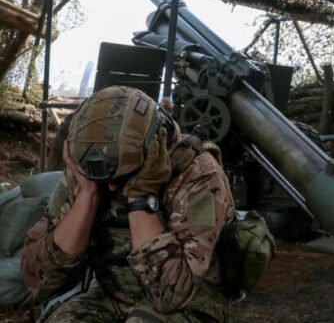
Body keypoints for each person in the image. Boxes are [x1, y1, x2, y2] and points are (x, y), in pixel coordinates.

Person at [21, 85, 236, 322]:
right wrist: (88, 193)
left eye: (120, 178)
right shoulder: (87, 168)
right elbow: (37, 282)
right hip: (111, 294)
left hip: (192, 302)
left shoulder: (197, 172)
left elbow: (171, 295)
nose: (112, 188)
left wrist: (142, 196)